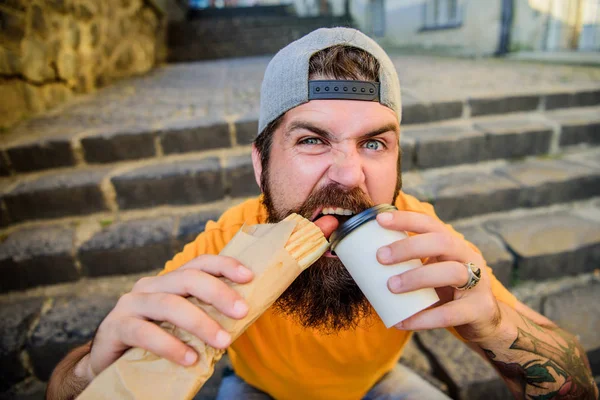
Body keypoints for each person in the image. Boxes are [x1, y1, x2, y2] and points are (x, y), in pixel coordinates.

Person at [47, 27, 598, 400]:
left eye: (375, 144)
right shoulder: (227, 245)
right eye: (312, 140)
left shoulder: (418, 237)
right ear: (260, 165)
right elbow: (65, 386)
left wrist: (493, 322)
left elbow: (578, 383)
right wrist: (95, 364)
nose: (349, 175)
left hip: (376, 385)